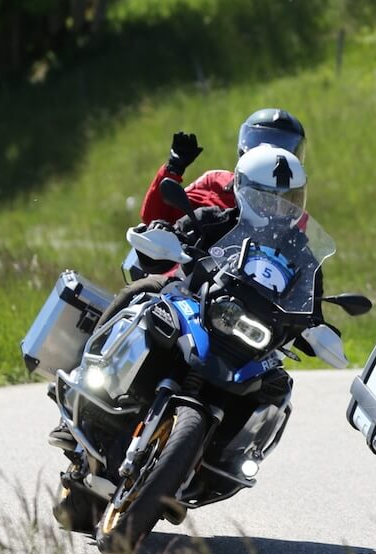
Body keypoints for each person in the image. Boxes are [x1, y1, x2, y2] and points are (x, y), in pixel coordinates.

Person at [49, 145, 313, 451]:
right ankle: (83, 380)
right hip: (193, 303)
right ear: (245, 190)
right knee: (144, 288)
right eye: (268, 198)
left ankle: (230, 456)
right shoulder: (215, 218)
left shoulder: (301, 252)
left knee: (278, 387)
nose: (278, 209)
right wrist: (164, 233)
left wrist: (317, 323)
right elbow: (174, 235)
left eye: (287, 200)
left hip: (249, 336)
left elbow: (311, 294)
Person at [137, 108, 307, 225]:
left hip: (259, 276)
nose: (272, 153)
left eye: (284, 146)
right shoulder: (215, 181)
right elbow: (155, 218)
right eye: (262, 142)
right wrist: (173, 169)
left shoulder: (294, 206)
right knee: (153, 279)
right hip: (200, 272)